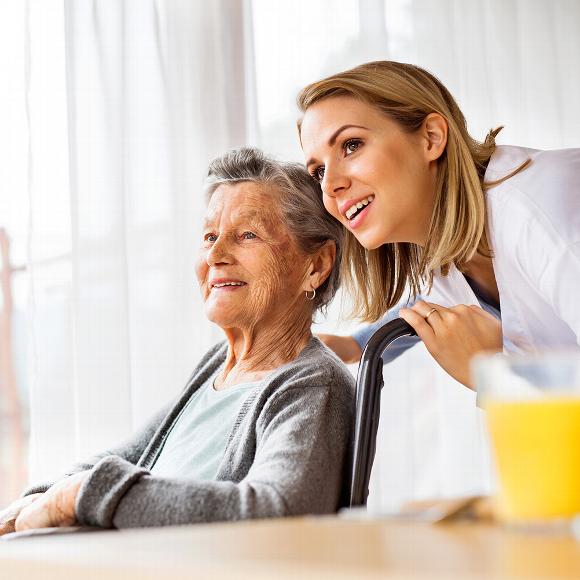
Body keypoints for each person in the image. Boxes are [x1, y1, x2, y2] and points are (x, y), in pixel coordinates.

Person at [0, 147, 354, 535]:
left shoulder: (311, 385)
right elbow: (128, 456)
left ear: (316, 265)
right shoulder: (218, 365)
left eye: (248, 235)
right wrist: (38, 497)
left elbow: (280, 509)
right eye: (209, 235)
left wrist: (77, 496)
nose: (216, 254)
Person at [297, 60, 580, 388]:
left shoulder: (543, 211)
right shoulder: (453, 248)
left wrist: (496, 378)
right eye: (318, 171)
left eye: (351, 145)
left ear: (431, 138)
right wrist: (356, 345)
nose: (329, 185)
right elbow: (426, 304)